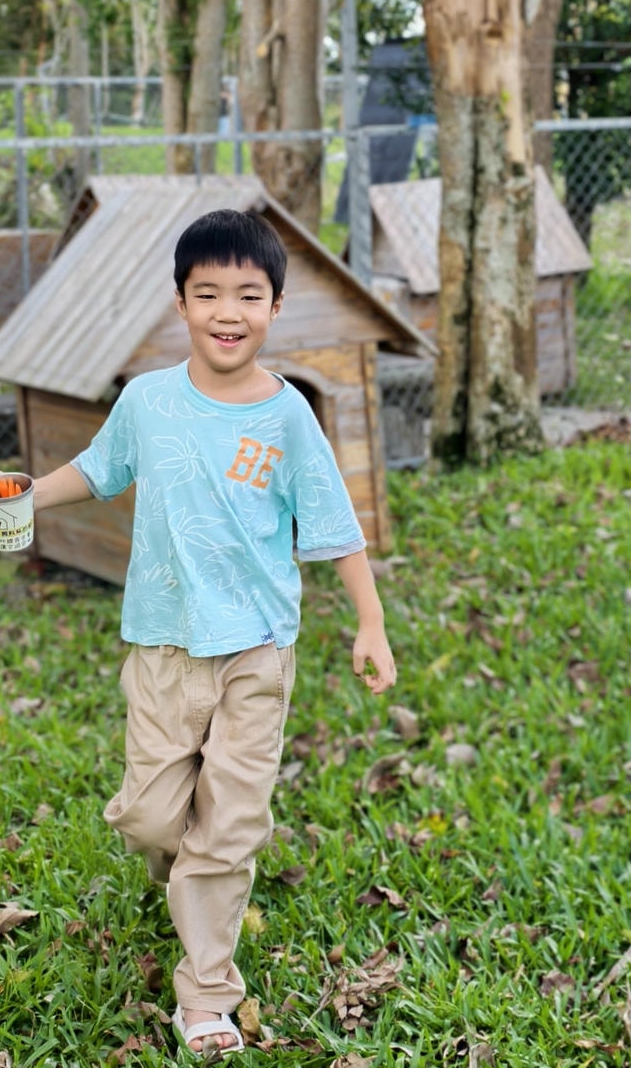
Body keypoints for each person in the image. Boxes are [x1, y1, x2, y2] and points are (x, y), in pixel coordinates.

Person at [20, 208, 397, 1056]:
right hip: (163, 644)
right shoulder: (148, 401)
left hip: (258, 648)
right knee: (154, 822)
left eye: (249, 295)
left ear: (277, 306)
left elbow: (334, 524)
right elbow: (99, 469)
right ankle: (191, 875)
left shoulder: (288, 416)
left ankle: (206, 994)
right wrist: (29, 493)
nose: (229, 311)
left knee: (227, 826)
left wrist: (369, 622)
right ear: (181, 302)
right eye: (209, 293)